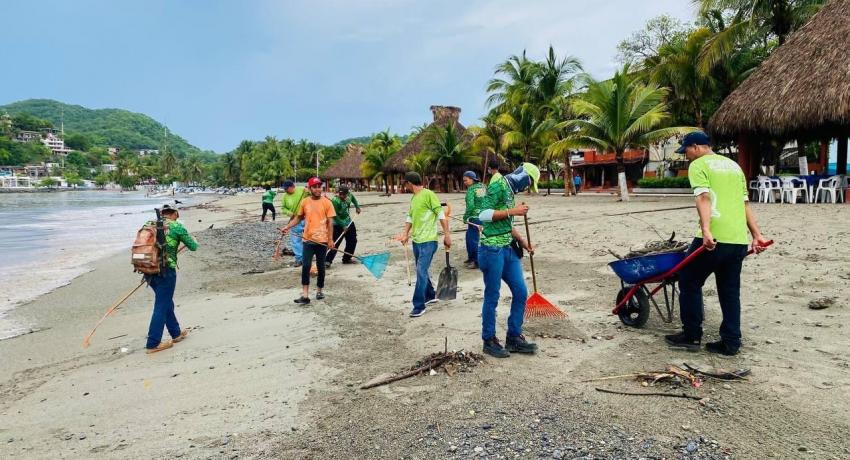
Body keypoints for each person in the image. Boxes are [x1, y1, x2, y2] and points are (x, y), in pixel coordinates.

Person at [665, 131, 770, 356]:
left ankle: (691, 335)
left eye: (687, 152)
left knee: (689, 279)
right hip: (738, 240)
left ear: (695, 147)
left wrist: (705, 230)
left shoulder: (699, 165)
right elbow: (744, 204)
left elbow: (703, 197)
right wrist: (757, 235)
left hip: (714, 238)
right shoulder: (733, 166)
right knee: (730, 290)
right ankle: (731, 342)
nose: (688, 157)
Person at [476, 163, 539, 358]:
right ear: (523, 177)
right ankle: (489, 340)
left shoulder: (510, 192)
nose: (526, 188)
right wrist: (513, 212)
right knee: (492, 295)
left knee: (521, 291)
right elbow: (483, 215)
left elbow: (507, 223)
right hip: (491, 249)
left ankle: (513, 337)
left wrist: (523, 241)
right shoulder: (497, 185)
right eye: (529, 183)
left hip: (507, 248)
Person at [397, 171, 450, 317]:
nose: (405, 187)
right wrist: (405, 233)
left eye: (405, 184)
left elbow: (440, 214)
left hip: (429, 241)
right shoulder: (414, 198)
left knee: (420, 271)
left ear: (409, 183)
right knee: (423, 270)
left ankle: (418, 305)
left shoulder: (429, 194)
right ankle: (430, 295)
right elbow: (410, 217)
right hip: (417, 241)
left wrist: (447, 235)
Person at [146, 207, 198, 354]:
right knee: (162, 304)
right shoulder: (176, 226)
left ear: (162, 214)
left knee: (165, 300)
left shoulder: (148, 224)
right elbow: (193, 247)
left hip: (147, 268)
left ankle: (176, 333)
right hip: (165, 270)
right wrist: (194, 240)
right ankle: (153, 343)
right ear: (175, 214)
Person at [280, 177, 335, 304]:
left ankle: (319, 290)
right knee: (306, 267)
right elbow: (298, 218)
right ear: (310, 189)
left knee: (321, 267)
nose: (317, 189)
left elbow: (330, 223)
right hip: (308, 240)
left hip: (322, 240)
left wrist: (330, 239)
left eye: (319, 186)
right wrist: (287, 227)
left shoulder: (327, 202)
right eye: (314, 187)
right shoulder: (305, 202)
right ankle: (305, 295)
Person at [326, 185, 361, 267]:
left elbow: (353, 199)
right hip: (337, 223)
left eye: (344, 195)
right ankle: (327, 261)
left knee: (352, 240)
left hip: (348, 220)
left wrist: (357, 207)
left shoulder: (349, 196)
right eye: (340, 194)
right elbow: (334, 215)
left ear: (347, 194)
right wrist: (342, 225)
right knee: (335, 242)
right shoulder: (335, 201)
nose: (342, 196)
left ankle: (347, 258)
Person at [280, 180, 310, 267]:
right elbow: (283, 208)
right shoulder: (285, 196)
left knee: (309, 238)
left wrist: (308, 191)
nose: (285, 190)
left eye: (287, 188)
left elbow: (313, 195)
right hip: (294, 220)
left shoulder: (301, 190)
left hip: (306, 218)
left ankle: (309, 256)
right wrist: (290, 213)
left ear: (292, 187)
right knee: (295, 240)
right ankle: (299, 259)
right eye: (284, 189)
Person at [462, 171, 485, 269]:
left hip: (474, 217)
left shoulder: (471, 190)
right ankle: (471, 257)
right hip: (484, 216)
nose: (464, 182)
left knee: (473, 240)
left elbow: (470, 206)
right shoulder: (482, 187)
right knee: (469, 237)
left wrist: (465, 217)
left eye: (466, 180)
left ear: (472, 179)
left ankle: (476, 261)